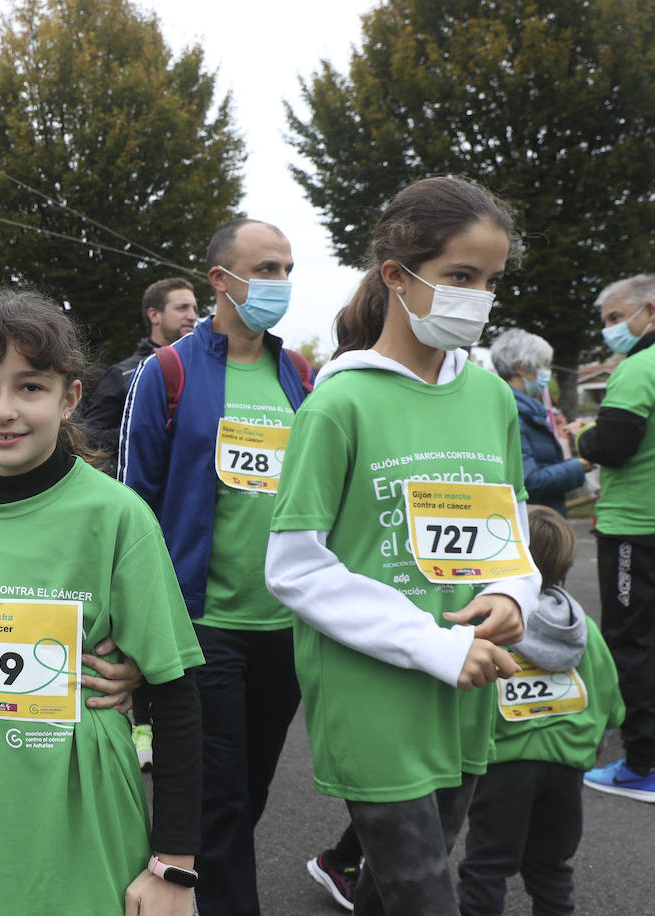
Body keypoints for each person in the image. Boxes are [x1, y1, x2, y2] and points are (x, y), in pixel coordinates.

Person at [265, 175, 540, 916]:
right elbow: (294, 568)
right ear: (397, 275)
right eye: (459, 276)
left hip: (468, 689)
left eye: (489, 280)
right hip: (374, 695)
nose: (478, 297)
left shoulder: (489, 397)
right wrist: (430, 643)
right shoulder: (338, 403)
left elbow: (509, 524)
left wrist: (512, 594)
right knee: (426, 898)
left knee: (392, 895)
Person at [0, 291, 205, 915]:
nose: (3, 411)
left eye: (31, 388)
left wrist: (174, 866)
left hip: (83, 811)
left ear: (70, 396)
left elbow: (177, 693)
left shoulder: (116, 515)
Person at [119, 218, 304, 916]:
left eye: (288, 268)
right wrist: (138, 623)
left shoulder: (299, 374)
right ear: (220, 281)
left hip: (285, 622)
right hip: (204, 624)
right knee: (220, 795)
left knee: (247, 793)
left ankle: (173, 883)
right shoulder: (168, 372)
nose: (280, 283)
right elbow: (134, 503)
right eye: (266, 268)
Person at [456, 505, 624, 915]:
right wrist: (596, 740)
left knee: (487, 867)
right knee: (551, 868)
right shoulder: (582, 626)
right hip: (567, 769)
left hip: (504, 766)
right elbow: (609, 696)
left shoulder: (490, 626)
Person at [578, 273, 655, 801]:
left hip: (633, 526)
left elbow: (614, 445)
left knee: (630, 643)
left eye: (614, 318)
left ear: (648, 310)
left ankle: (643, 764)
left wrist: (580, 436)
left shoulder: (636, 369)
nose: (610, 331)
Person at [77, 277, 200, 467]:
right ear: (154, 315)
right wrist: (146, 427)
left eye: (194, 309)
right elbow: (88, 437)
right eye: (182, 308)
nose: (192, 316)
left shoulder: (202, 370)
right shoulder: (122, 374)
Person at [491, 328, 588, 515]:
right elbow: (528, 481)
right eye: (544, 364)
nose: (547, 372)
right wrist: (578, 466)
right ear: (521, 368)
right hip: (532, 520)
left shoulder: (526, 411)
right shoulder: (513, 414)